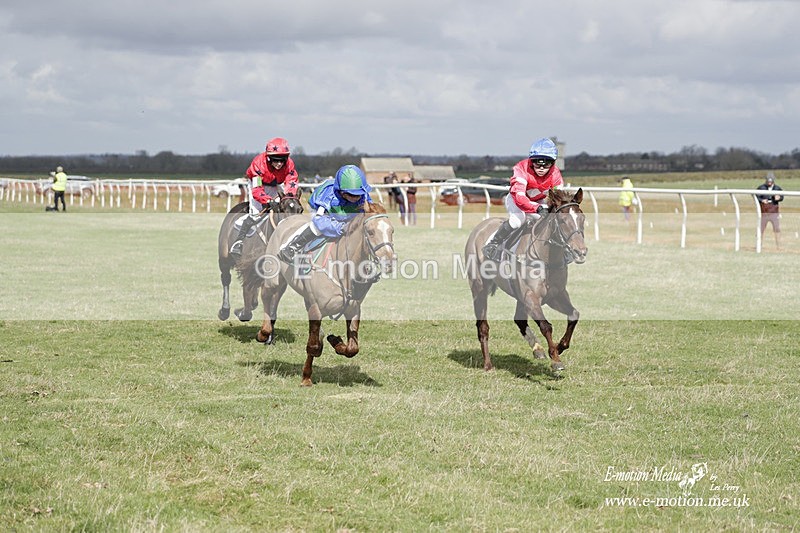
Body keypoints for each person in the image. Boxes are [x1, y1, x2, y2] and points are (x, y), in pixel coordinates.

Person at [482, 138, 564, 261]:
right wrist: (538, 208)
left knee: (552, 222)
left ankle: (563, 250)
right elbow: (520, 198)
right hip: (516, 201)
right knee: (518, 220)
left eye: (546, 163)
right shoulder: (521, 169)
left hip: (538, 202)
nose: (541, 168)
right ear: (531, 161)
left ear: (553, 163)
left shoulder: (555, 174)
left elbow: (558, 197)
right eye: (537, 162)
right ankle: (493, 243)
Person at [278, 165, 373, 263]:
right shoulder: (328, 196)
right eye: (351, 194)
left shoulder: (363, 194)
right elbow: (319, 220)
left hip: (345, 213)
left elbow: (371, 213)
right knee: (317, 228)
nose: (356, 198)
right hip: (322, 212)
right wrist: (340, 227)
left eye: (358, 195)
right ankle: (292, 247)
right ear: (341, 192)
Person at [229, 137, 300, 258]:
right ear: (268, 157)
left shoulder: (289, 165)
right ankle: (238, 242)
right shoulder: (258, 164)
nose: (279, 164)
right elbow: (257, 190)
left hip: (276, 185)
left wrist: (288, 197)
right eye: (275, 160)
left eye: (282, 160)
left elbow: (291, 183)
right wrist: (267, 201)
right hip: (259, 184)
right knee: (256, 213)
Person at [757, 172, 784, 249]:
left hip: (774, 212)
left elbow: (782, 196)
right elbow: (756, 196)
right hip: (764, 212)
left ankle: (779, 246)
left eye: (770, 181)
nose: (769, 183)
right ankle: (759, 245)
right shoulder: (761, 188)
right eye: (768, 181)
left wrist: (779, 198)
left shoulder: (777, 188)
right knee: (761, 229)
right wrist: (762, 200)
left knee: (777, 229)